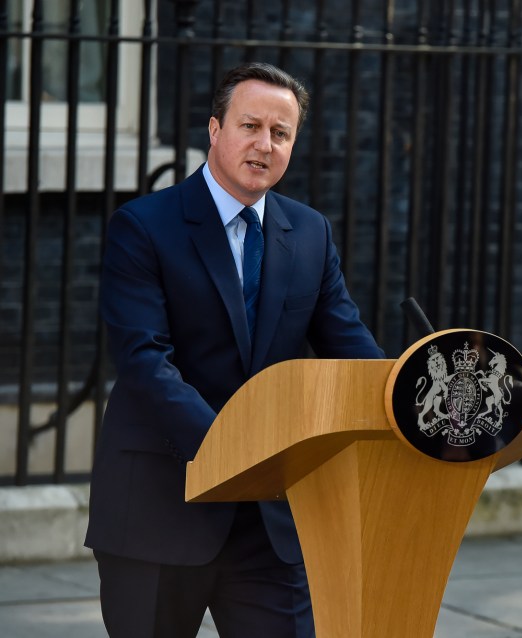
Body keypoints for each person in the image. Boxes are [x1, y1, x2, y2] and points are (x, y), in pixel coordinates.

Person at [85, 62, 384, 637]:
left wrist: (414, 396)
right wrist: (236, 450)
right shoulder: (144, 226)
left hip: (269, 523)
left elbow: (350, 347)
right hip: (159, 510)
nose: (263, 144)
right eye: (250, 126)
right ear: (215, 130)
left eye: (280, 133)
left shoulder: (311, 232)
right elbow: (146, 361)